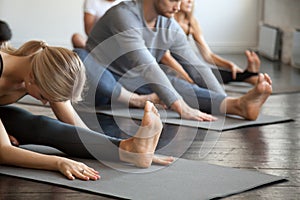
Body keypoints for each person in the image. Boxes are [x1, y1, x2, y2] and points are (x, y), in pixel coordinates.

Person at [0, 40, 174, 181]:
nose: (46, 103)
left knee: (43, 125)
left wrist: (115, 149)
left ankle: (132, 150)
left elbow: (75, 126)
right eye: (44, 96)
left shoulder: (42, 66)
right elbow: (3, 152)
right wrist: (58, 162)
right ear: (32, 79)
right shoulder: (27, 70)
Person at [85, 0, 272, 121]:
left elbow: (196, 65)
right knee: (80, 58)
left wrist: (221, 97)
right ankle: (136, 101)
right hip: (99, 83)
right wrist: (180, 107)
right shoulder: (123, 15)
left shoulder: (169, 25)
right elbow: (146, 64)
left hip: (134, 81)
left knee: (174, 83)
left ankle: (238, 106)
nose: (178, 6)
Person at [160, 0, 259, 85]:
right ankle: (249, 76)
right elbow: (166, 58)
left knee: (205, 72)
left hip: (184, 65)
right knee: (201, 74)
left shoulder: (191, 23)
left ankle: (248, 76)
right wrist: (188, 78)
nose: (190, 1)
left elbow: (208, 56)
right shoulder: (166, 21)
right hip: (166, 66)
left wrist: (229, 65)